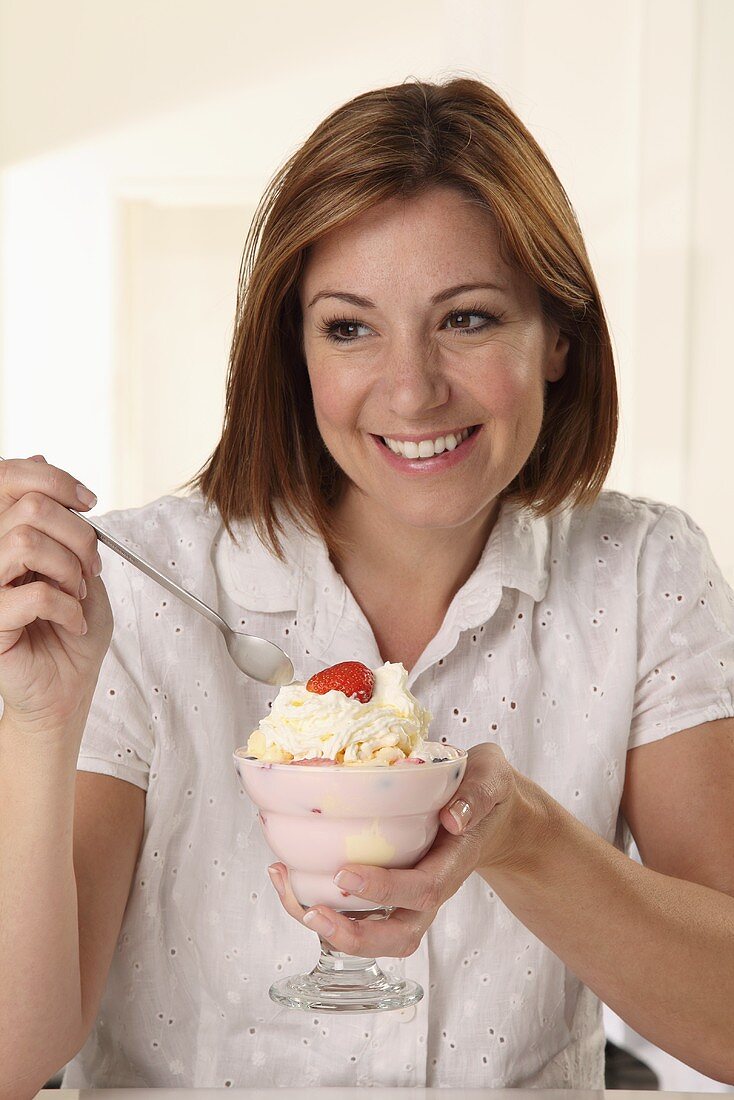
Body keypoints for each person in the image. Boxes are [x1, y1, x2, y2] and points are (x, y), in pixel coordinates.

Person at [1, 77, 732, 1096]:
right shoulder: (149, 586)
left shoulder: (643, 572)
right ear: (291, 350)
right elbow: (13, 1056)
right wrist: (36, 721)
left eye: (467, 319)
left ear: (558, 337)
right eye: (349, 328)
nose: (410, 388)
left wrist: (517, 835)